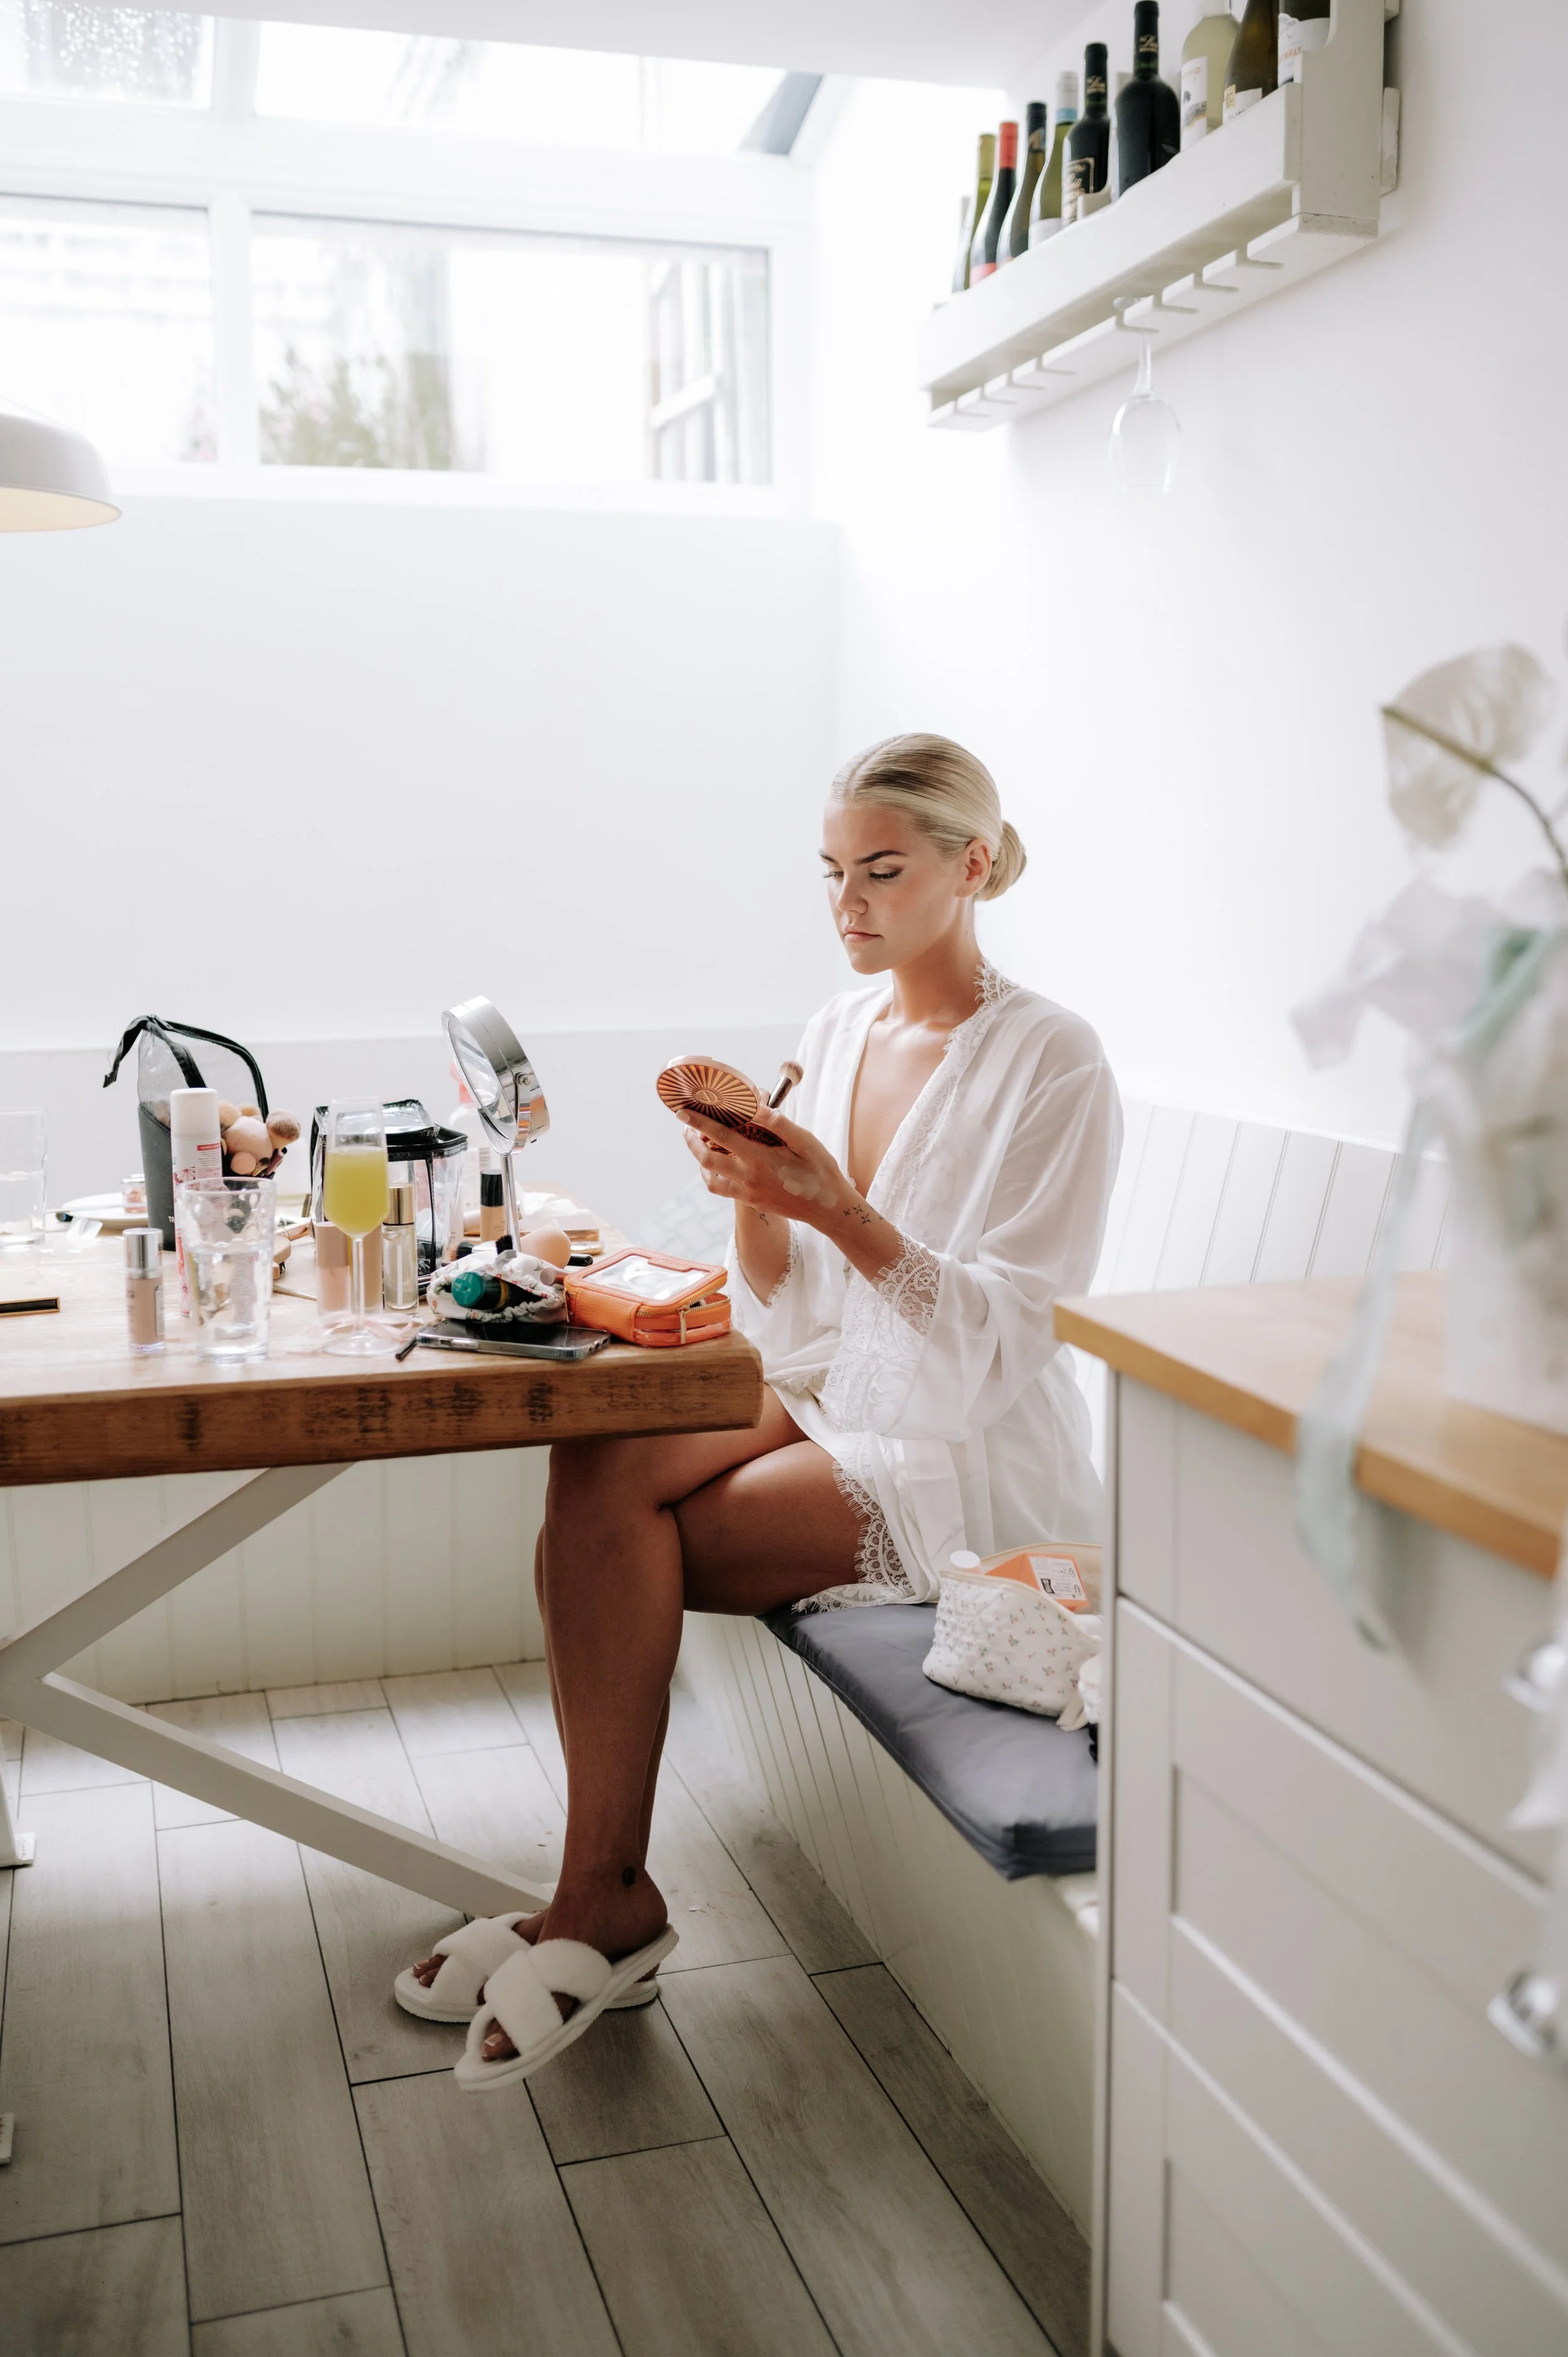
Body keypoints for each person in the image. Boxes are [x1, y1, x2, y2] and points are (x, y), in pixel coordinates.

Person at [400, 733, 1122, 2083]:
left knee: (650, 1532)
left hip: (959, 1444)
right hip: (828, 1384)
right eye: (832, 874)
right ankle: (601, 1890)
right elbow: (787, 1314)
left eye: (883, 872)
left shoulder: (1054, 1062)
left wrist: (836, 1206)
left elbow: (1002, 1346)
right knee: (597, 1460)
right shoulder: (836, 1029)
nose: (848, 904)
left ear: (972, 867)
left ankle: (596, 1898)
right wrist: (750, 1190)